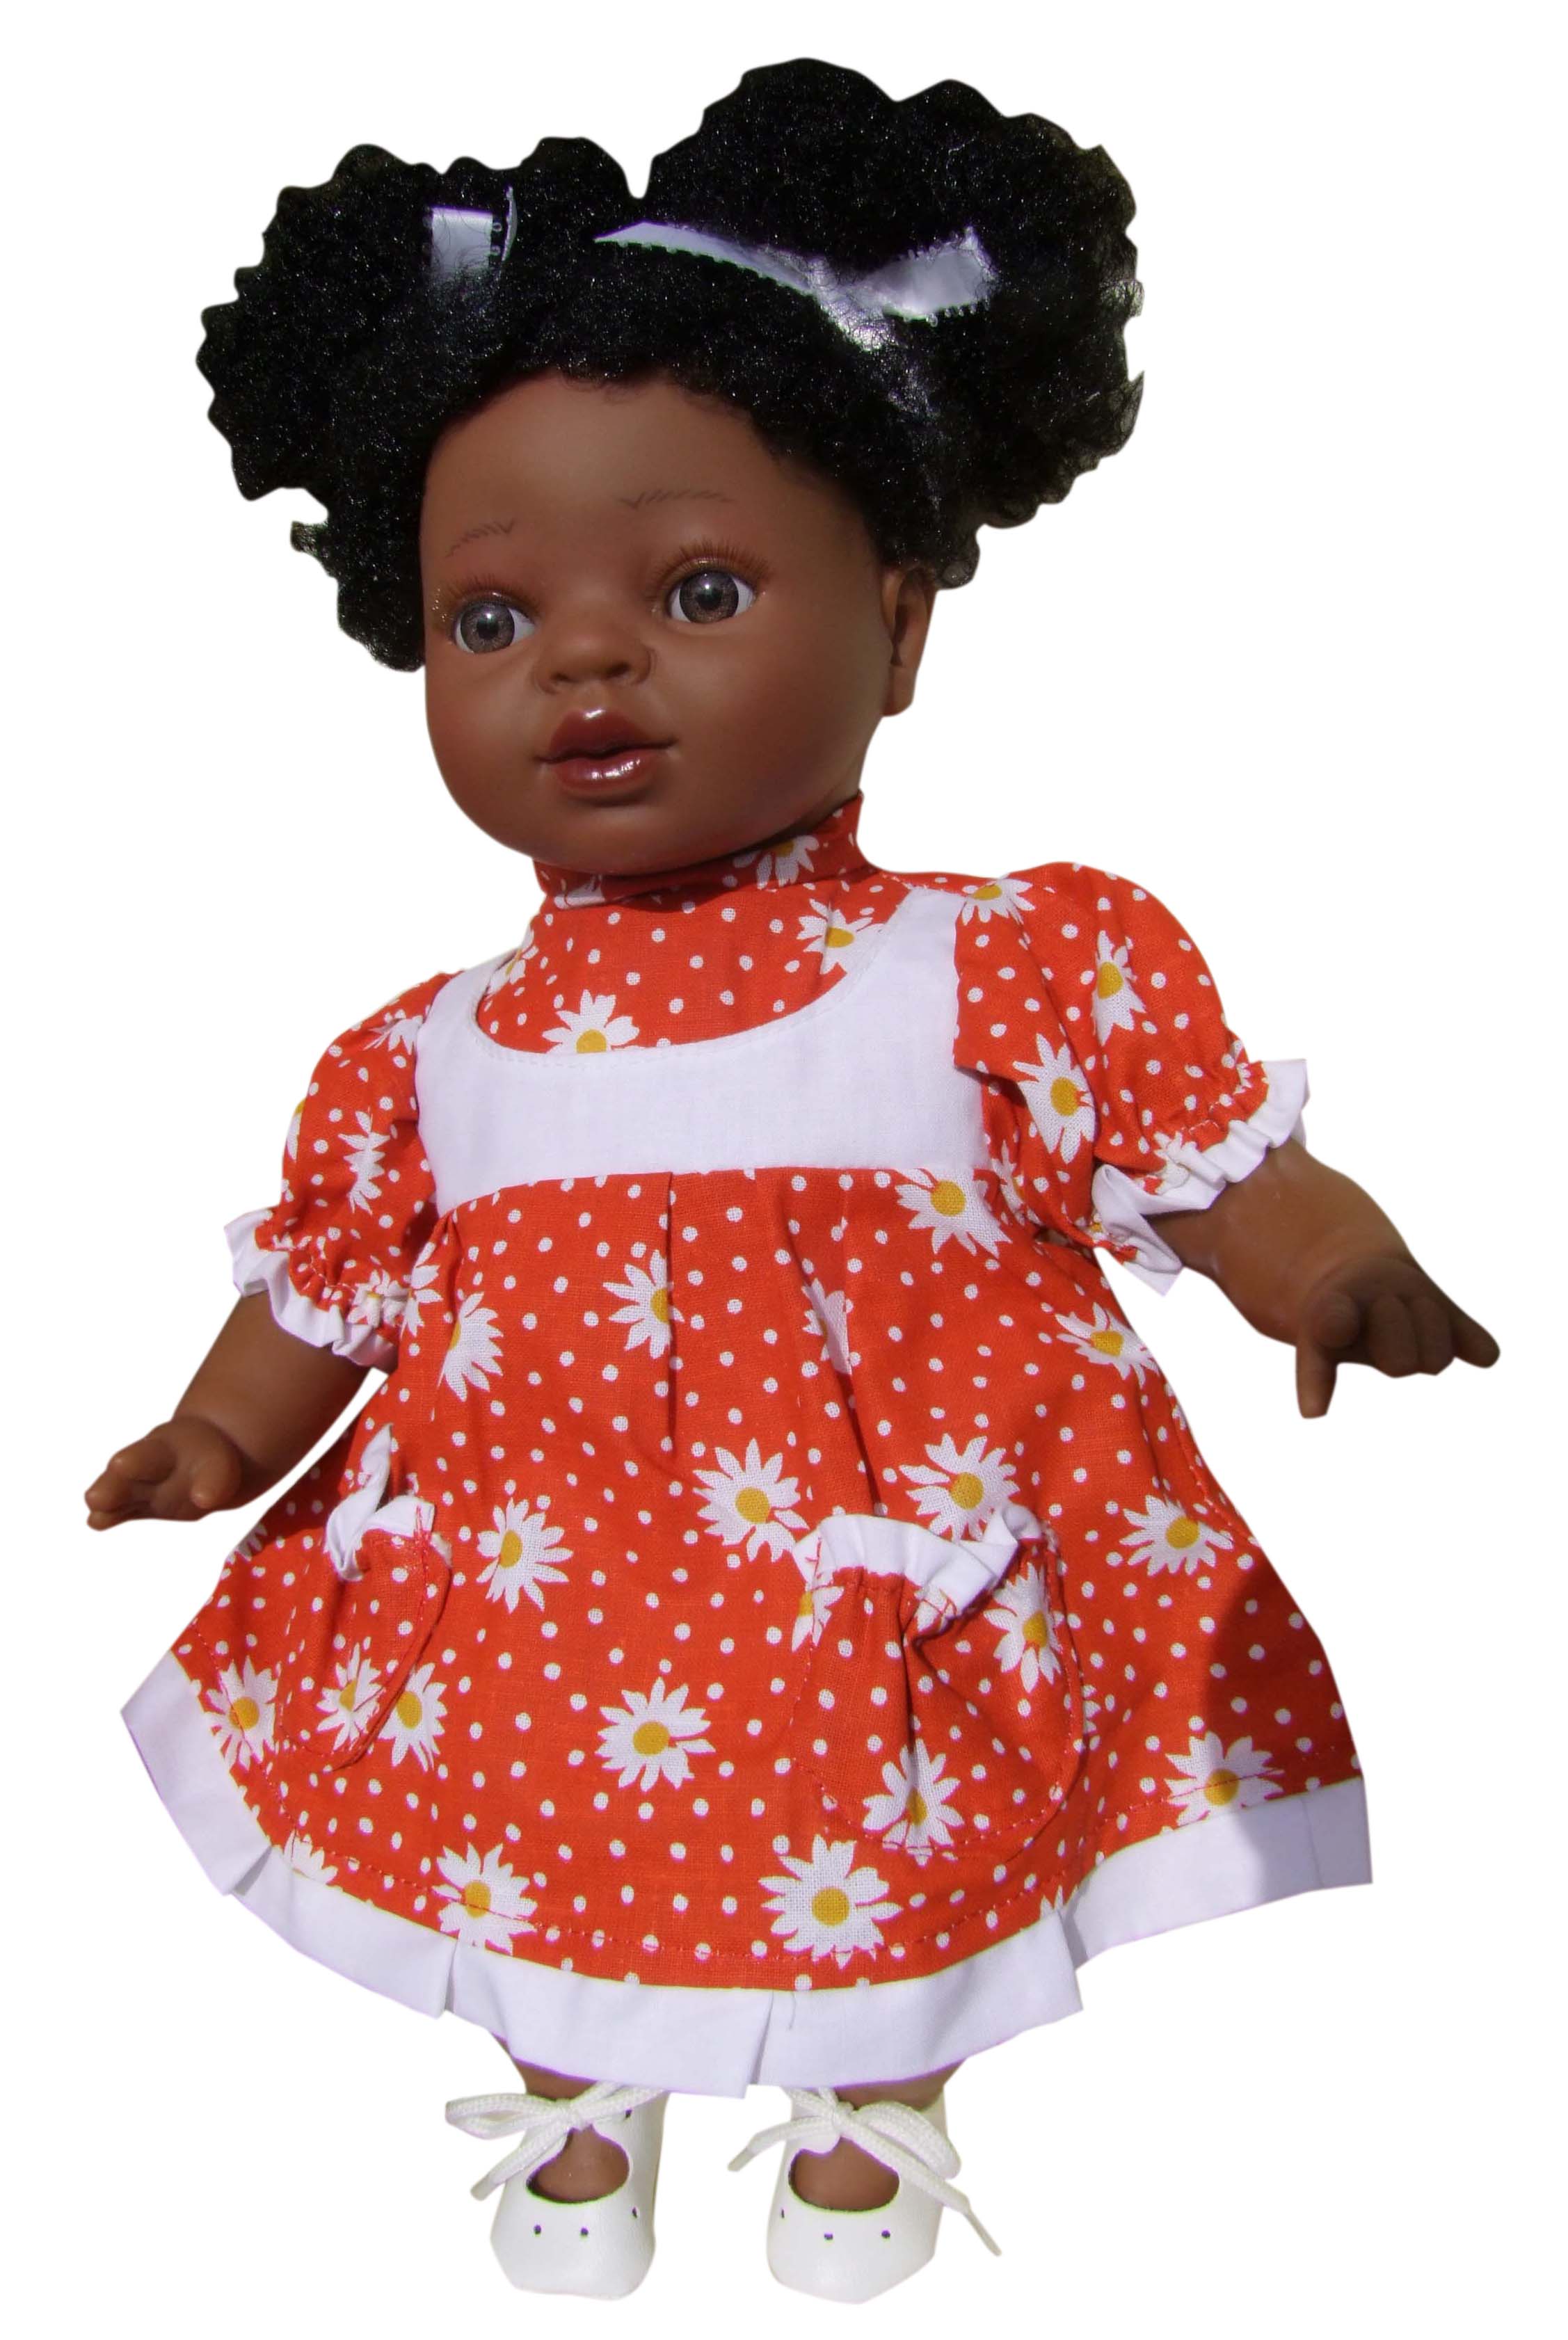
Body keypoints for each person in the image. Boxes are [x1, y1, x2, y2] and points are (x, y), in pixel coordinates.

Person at [84, 60, 1498, 2305]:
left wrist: (1329, 1261)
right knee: (535, 1810)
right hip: (550, 1577)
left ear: (902, 627)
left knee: (888, 1824)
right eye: (489, 620)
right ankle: (578, 2079)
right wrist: (219, 1427)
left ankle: (875, 2090)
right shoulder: (427, 1051)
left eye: (702, 583)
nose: (586, 654)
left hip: (869, 1571)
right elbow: (337, 1282)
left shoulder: (990, 964)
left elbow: (1196, 1147)